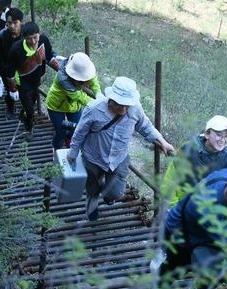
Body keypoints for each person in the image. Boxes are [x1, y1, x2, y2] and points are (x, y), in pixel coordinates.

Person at [66, 76, 175, 221]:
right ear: (111, 99)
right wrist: (73, 152)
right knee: (92, 187)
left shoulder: (135, 109)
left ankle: (106, 192)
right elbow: (80, 131)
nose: (124, 109)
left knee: (116, 194)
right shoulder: (94, 109)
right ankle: (92, 200)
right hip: (93, 157)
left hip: (119, 159)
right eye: (119, 105)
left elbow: (146, 126)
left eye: (127, 105)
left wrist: (163, 142)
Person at [165, 115, 227, 207]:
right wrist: (171, 206)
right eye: (218, 135)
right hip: (182, 204)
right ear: (207, 134)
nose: (222, 140)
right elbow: (172, 177)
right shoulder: (190, 149)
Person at [6, 22, 59, 141]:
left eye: (35, 37)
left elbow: (49, 55)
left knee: (31, 103)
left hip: (36, 79)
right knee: (30, 110)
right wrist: (13, 88)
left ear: (39, 35)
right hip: (22, 82)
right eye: (29, 39)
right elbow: (10, 70)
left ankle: (23, 114)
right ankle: (28, 128)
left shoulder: (44, 41)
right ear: (24, 38)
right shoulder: (16, 49)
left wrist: (57, 64)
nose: (34, 41)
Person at [46, 52, 101, 150]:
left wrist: (98, 94)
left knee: (76, 129)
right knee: (61, 131)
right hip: (56, 107)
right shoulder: (63, 79)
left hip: (73, 106)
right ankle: (56, 149)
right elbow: (79, 97)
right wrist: (99, 105)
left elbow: (92, 79)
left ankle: (69, 140)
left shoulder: (82, 67)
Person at [0, 8, 24, 119]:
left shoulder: (26, 34)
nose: (12, 26)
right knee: (10, 88)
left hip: (23, 68)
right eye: (9, 23)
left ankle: (25, 110)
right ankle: (10, 107)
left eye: (15, 23)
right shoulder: (1, 36)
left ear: (21, 22)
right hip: (7, 68)